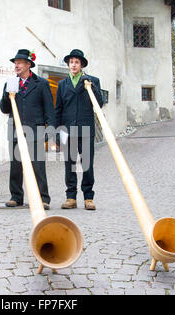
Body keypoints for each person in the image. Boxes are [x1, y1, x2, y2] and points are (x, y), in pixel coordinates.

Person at [0, 49, 55, 210]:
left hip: (35, 130)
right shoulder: (10, 83)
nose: (16, 65)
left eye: (19, 62)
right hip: (15, 130)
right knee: (16, 165)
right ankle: (16, 196)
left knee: (37, 166)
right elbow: (4, 109)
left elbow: (49, 109)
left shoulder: (41, 84)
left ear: (28, 64)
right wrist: (6, 94)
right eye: (15, 63)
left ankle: (43, 198)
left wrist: (49, 129)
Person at [55, 49, 104, 211]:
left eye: (76, 62)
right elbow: (58, 110)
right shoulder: (62, 84)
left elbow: (100, 102)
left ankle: (88, 197)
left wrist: (91, 85)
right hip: (67, 129)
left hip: (86, 128)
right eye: (71, 62)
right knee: (69, 165)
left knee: (87, 164)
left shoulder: (91, 80)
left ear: (81, 65)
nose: (73, 65)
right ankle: (71, 197)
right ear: (68, 65)